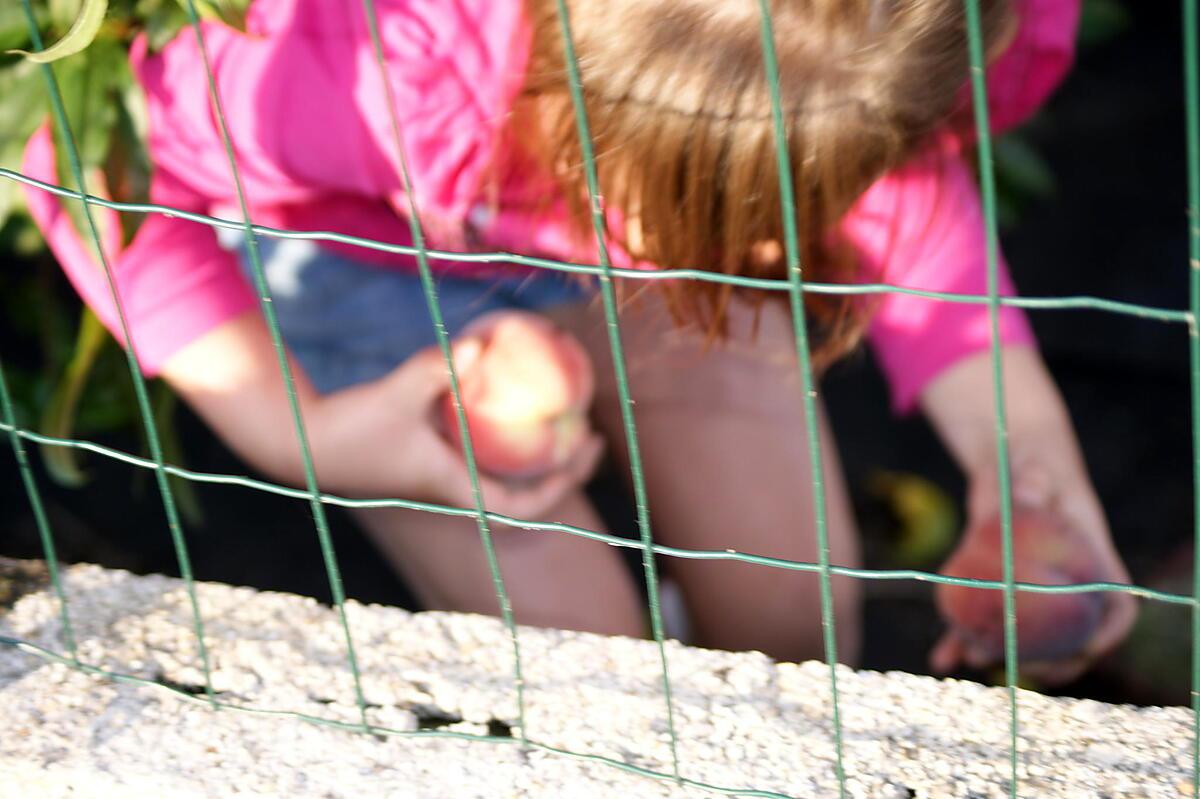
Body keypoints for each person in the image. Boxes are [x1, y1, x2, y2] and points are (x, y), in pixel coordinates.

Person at [20, 0, 1134, 682]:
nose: (771, 241)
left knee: (796, 617)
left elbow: (912, 220)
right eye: (746, 215)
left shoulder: (829, 55)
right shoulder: (334, 71)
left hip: (611, 231)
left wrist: (1022, 462)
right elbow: (85, 156)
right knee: (578, 655)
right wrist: (301, 429)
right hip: (363, 258)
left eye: (791, 210)